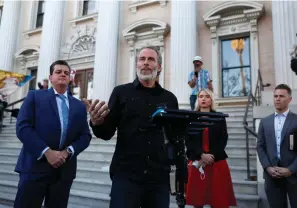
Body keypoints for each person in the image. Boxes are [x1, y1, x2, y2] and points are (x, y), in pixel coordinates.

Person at [84, 46, 179, 208]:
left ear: (159, 67)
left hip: (158, 178)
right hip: (126, 175)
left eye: (151, 59)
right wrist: (96, 122)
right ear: (136, 65)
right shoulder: (121, 92)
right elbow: (107, 133)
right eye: (142, 59)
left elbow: (174, 137)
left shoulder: (169, 99)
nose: (146, 63)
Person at [14, 60, 92, 208]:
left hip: (63, 172)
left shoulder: (79, 106)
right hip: (34, 168)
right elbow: (23, 127)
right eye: (58, 72)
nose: (63, 74)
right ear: (50, 78)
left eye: (66, 73)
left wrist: (68, 152)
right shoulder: (35, 97)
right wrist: (46, 152)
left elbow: (85, 136)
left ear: (70, 78)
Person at [185, 89, 236, 208]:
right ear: (197, 99)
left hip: (216, 162)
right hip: (197, 163)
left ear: (211, 99)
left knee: (218, 201)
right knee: (198, 201)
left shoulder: (219, 117)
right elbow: (188, 140)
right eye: (201, 96)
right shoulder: (191, 118)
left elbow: (223, 139)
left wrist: (210, 156)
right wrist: (201, 155)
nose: (203, 99)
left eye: (207, 96)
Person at [257, 84, 297, 208]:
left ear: (289, 99)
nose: (277, 99)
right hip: (272, 176)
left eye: (281, 96)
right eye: (275, 96)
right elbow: (260, 147)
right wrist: (268, 167)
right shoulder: (265, 122)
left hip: (294, 175)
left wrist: (291, 169)